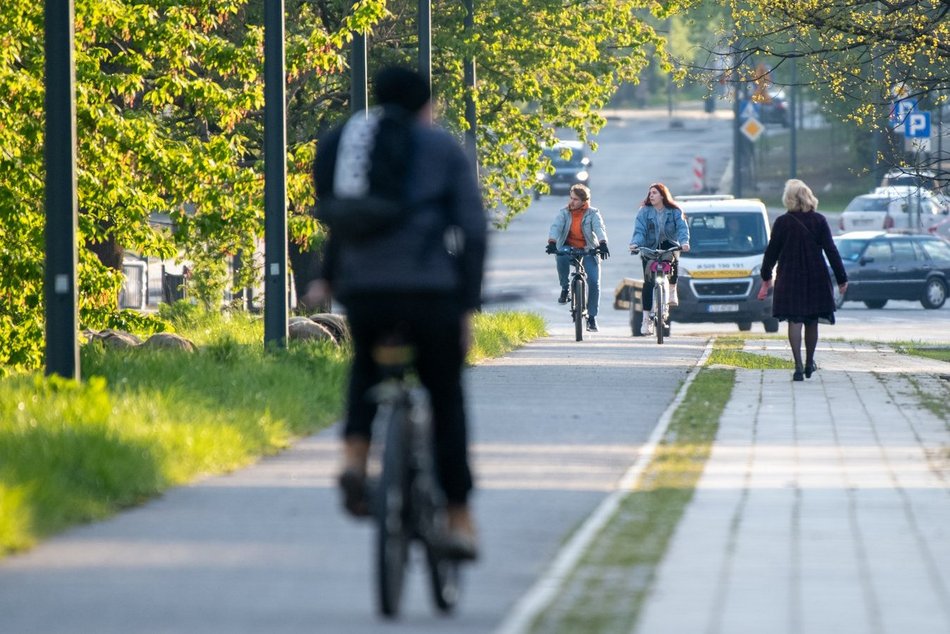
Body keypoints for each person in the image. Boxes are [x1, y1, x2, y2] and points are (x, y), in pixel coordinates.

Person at [310, 66, 487, 559]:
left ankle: (354, 455)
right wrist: (466, 305)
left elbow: (335, 214)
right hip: (430, 294)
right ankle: (457, 517)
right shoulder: (441, 149)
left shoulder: (345, 141)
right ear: (425, 107)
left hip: (364, 291)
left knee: (366, 364)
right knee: (446, 397)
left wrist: (329, 276)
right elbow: (472, 232)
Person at [757, 179, 848, 381]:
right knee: (812, 320)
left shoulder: (782, 223)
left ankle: (798, 366)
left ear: (788, 199)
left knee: (795, 320)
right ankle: (809, 362)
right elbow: (831, 251)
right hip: (815, 276)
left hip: (789, 276)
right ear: (808, 196)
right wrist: (842, 278)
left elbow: (771, 253)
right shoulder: (819, 221)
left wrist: (766, 276)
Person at [545, 183, 610, 332]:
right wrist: (552, 242)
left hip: (588, 249)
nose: (571, 202)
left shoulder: (593, 213)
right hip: (569, 247)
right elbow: (556, 226)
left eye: (575, 199)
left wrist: (603, 243)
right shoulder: (564, 213)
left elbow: (599, 228)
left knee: (594, 282)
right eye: (571, 198)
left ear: (584, 201)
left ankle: (592, 318)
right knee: (560, 255)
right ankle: (565, 288)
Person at [628, 183, 690, 335]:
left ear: (662, 195)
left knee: (674, 255)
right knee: (648, 283)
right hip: (650, 247)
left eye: (654, 193)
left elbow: (682, 228)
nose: (651, 195)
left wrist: (684, 242)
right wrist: (635, 243)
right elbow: (640, 230)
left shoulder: (674, 211)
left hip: (669, 244)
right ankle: (646, 320)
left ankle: (672, 288)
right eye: (650, 193)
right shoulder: (644, 211)